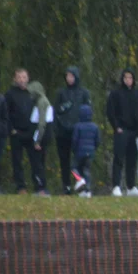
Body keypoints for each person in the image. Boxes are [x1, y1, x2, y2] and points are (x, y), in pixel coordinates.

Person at [5, 69, 46, 195]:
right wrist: (11, 129)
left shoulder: (32, 93)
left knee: (35, 161)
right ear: (15, 79)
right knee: (17, 160)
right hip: (16, 132)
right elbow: (5, 113)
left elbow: (39, 111)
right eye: (19, 77)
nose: (22, 80)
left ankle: (39, 187)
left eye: (24, 77)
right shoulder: (10, 94)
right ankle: (21, 187)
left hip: (31, 132)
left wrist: (36, 132)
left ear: (28, 79)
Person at [53, 66, 92, 195]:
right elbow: (56, 111)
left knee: (79, 161)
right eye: (67, 76)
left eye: (72, 76)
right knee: (64, 160)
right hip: (63, 132)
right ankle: (66, 186)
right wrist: (57, 128)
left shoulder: (83, 93)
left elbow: (88, 112)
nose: (69, 79)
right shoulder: (61, 93)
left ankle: (81, 185)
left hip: (79, 133)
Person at [105, 68, 138, 197]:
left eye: (130, 77)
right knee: (118, 158)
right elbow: (110, 111)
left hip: (134, 131)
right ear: (122, 79)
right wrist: (116, 127)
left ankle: (131, 186)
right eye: (126, 77)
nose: (128, 80)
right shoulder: (116, 94)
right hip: (121, 130)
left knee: (132, 160)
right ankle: (116, 186)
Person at [26, 80, 53, 197]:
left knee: (37, 162)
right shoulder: (41, 101)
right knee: (39, 161)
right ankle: (40, 187)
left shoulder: (42, 102)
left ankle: (41, 188)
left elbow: (41, 123)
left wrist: (37, 140)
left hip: (40, 135)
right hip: (41, 134)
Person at [70, 104, 100, 197]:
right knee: (86, 170)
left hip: (79, 152)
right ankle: (87, 190)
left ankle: (79, 180)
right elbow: (97, 140)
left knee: (73, 168)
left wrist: (74, 150)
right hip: (90, 152)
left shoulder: (78, 126)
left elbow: (75, 140)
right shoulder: (95, 127)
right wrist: (93, 149)